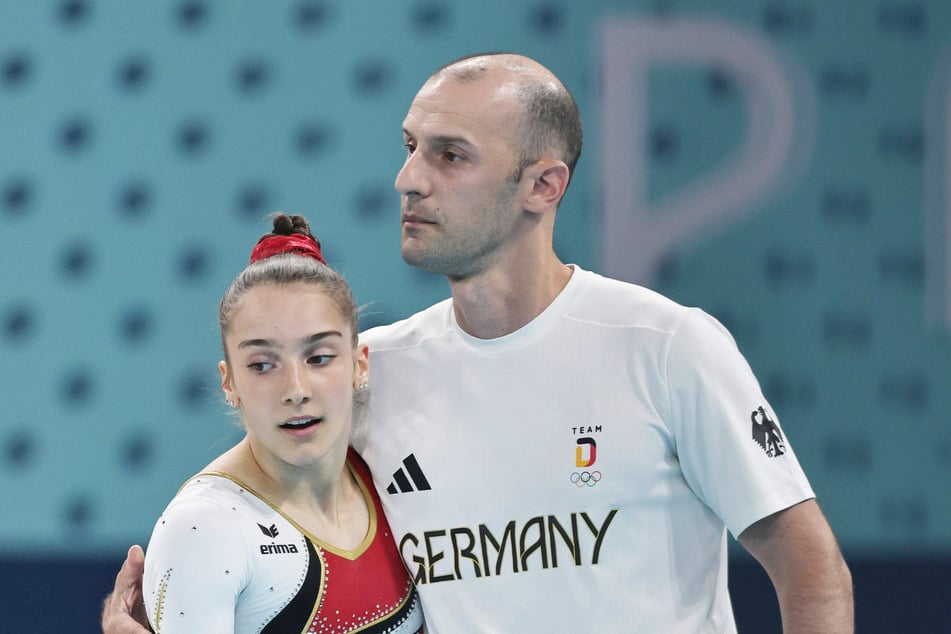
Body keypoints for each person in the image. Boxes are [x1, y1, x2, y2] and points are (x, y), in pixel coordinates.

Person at [104, 53, 853, 632]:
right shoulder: (373, 373)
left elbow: (808, 562)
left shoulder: (665, 346)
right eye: (409, 146)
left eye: (449, 155)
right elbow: (235, 492)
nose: (407, 179)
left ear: (542, 186)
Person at [118, 213, 423, 633]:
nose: (295, 389)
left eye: (318, 358)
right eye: (262, 365)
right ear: (230, 383)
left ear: (359, 365)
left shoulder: (401, 485)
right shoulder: (205, 528)